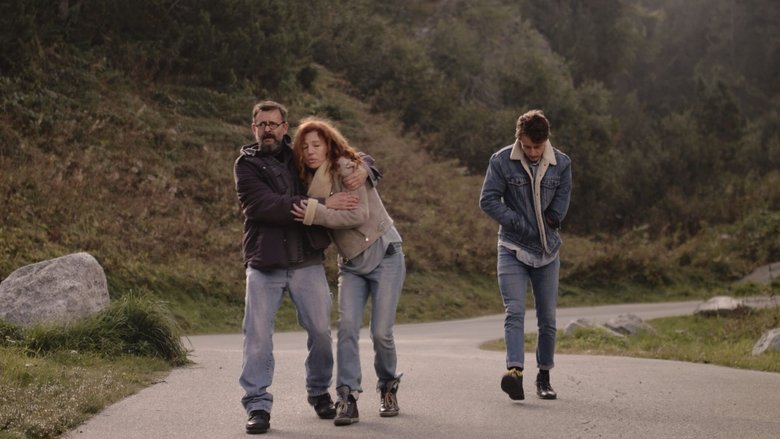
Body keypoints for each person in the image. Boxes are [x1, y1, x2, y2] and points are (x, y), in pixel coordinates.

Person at [234, 100, 370, 435]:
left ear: (284, 127)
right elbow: (263, 206)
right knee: (257, 337)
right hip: (264, 262)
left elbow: (341, 153)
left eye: (273, 124)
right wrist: (321, 204)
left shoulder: (300, 156)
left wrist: (367, 167)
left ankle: (318, 392)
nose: (268, 129)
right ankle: (257, 405)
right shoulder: (246, 165)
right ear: (254, 128)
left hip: (306, 259)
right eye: (262, 124)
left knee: (321, 333)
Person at [290, 117, 405, 427]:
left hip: (385, 253)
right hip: (351, 263)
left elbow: (359, 214)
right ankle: (347, 397)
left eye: (316, 145)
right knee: (347, 329)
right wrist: (321, 205)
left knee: (381, 333)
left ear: (328, 146)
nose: (310, 151)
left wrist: (316, 212)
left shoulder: (347, 167)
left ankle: (388, 386)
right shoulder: (305, 179)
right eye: (304, 146)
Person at [479, 109, 572, 401]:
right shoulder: (501, 161)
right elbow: (488, 200)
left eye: (537, 147)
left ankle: (544, 377)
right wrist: (518, 222)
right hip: (512, 248)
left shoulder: (562, 163)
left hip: (547, 251)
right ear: (519, 138)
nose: (532, 152)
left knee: (547, 318)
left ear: (546, 141)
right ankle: (515, 372)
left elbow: (562, 200)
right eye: (527, 146)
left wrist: (553, 219)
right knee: (515, 311)